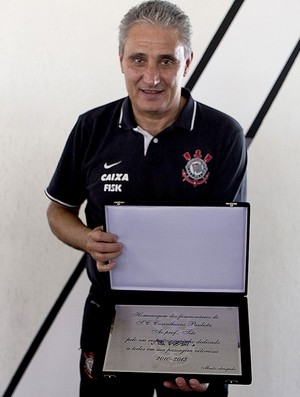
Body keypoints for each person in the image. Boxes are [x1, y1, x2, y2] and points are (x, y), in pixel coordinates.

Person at [45, 1, 247, 396]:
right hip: (110, 316)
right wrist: (87, 239)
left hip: (195, 324)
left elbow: (225, 249)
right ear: (121, 59)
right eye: (138, 59)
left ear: (187, 62)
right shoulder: (91, 128)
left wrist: (213, 350)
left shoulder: (224, 135)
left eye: (167, 61)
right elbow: (59, 210)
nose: (151, 77)